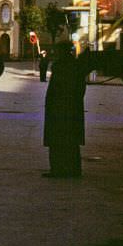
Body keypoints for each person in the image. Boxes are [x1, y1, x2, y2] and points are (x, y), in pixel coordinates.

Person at [43, 42, 87, 178]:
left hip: (58, 108)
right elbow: (81, 88)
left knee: (57, 140)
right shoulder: (76, 65)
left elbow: (55, 88)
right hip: (72, 108)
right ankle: (74, 169)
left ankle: (58, 169)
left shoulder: (60, 65)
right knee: (71, 141)